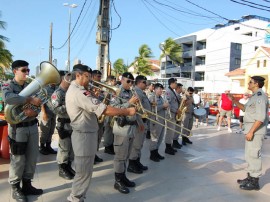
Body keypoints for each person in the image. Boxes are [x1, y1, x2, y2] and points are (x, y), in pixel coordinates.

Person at [66, 65, 136, 201]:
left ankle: (78, 197)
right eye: (87, 76)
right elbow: (104, 110)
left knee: (85, 172)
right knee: (83, 173)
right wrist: (127, 111)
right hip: (84, 136)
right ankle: (75, 198)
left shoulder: (80, 91)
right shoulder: (79, 92)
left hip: (86, 135)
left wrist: (93, 96)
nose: (90, 80)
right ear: (78, 75)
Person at [2, 60, 43, 202]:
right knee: (18, 159)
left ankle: (27, 184)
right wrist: (29, 99)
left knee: (32, 157)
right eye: (24, 70)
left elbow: (39, 102)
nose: (27, 73)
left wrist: (35, 111)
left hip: (32, 126)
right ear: (15, 71)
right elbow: (8, 98)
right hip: (17, 128)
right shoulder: (8, 85)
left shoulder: (30, 86)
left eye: (28, 70)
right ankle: (15, 187)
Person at [229, 76, 268, 191]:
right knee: (250, 155)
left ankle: (255, 182)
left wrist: (251, 132)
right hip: (251, 130)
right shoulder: (254, 97)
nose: (248, 84)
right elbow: (245, 108)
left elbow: (261, 117)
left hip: (256, 131)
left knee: (254, 155)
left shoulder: (261, 97)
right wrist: (233, 100)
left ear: (256, 84)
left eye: (250, 82)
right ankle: (250, 177)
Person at [110, 72, 140, 194]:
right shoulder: (116, 92)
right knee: (120, 157)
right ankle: (117, 181)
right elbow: (114, 109)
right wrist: (130, 102)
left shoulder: (132, 92)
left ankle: (123, 177)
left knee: (126, 156)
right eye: (128, 81)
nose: (130, 84)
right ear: (122, 80)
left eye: (132, 82)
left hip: (131, 128)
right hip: (121, 128)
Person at [50, 71, 75, 180]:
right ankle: (62, 168)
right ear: (66, 80)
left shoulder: (70, 92)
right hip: (64, 123)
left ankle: (68, 166)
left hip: (72, 123)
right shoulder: (58, 93)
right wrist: (69, 105)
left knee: (71, 148)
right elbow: (55, 109)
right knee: (64, 147)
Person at [127, 75, 151, 174]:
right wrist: (140, 122)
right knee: (136, 144)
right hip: (139, 122)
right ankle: (132, 164)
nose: (146, 84)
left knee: (140, 144)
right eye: (145, 82)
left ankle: (137, 162)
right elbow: (136, 109)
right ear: (139, 83)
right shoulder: (136, 92)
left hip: (144, 121)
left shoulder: (141, 92)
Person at [148, 83, 167, 162]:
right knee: (154, 138)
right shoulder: (152, 97)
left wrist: (165, 107)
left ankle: (156, 152)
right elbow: (151, 110)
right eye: (159, 89)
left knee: (160, 138)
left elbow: (162, 107)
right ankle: (152, 154)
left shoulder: (161, 98)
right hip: (155, 121)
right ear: (155, 89)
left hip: (162, 120)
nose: (161, 90)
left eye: (162, 89)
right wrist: (163, 106)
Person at [39, 83, 57, 155]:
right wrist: (44, 113)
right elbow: (41, 101)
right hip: (46, 112)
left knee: (51, 130)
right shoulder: (44, 88)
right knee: (45, 130)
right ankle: (42, 147)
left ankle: (48, 146)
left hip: (54, 113)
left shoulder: (57, 88)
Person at [164, 78, 180, 155]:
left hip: (173, 114)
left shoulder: (172, 91)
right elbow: (168, 104)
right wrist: (175, 110)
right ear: (172, 83)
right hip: (170, 114)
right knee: (170, 131)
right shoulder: (168, 92)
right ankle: (167, 147)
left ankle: (169, 146)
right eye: (175, 83)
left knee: (172, 131)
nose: (176, 84)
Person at [91, 70, 104, 164]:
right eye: (98, 76)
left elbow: (104, 100)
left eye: (100, 76)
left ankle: (94, 154)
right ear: (93, 77)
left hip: (100, 116)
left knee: (98, 136)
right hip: (92, 116)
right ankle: (91, 155)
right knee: (92, 137)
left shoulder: (101, 87)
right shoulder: (89, 87)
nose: (100, 78)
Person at [103, 75, 117, 155]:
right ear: (110, 81)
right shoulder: (106, 89)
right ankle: (107, 146)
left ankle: (110, 145)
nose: (115, 82)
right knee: (108, 130)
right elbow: (105, 101)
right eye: (113, 80)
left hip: (113, 111)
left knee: (111, 130)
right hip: (108, 112)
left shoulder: (113, 89)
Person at [173, 83, 183, 149]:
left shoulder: (179, 95)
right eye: (181, 88)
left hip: (179, 114)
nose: (182, 89)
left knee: (178, 129)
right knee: (176, 129)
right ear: (178, 88)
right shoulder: (175, 95)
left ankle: (176, 140)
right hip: (176, 114)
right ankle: (174, 142)